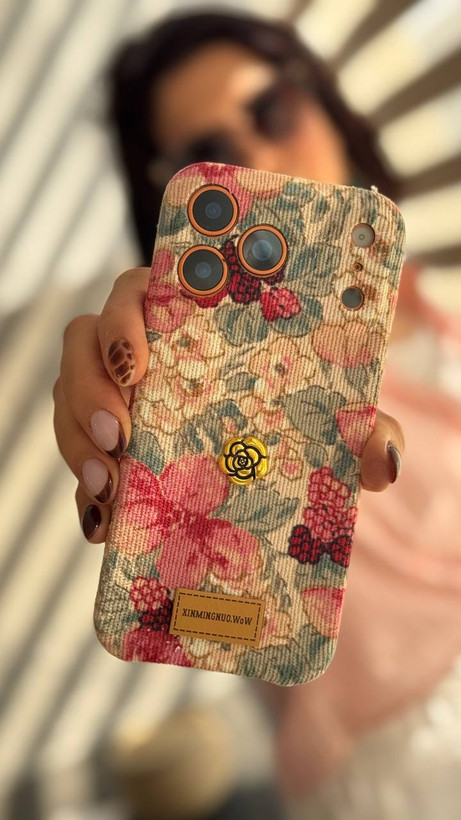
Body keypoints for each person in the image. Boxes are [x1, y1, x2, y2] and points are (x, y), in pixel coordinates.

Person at [52, 9, 461, 818]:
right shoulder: (222, 380)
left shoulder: (440, 303)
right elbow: (221, 612)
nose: (262, 158)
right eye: (213, 153)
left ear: (324, 102)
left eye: (271, 109)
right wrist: (152, 397)